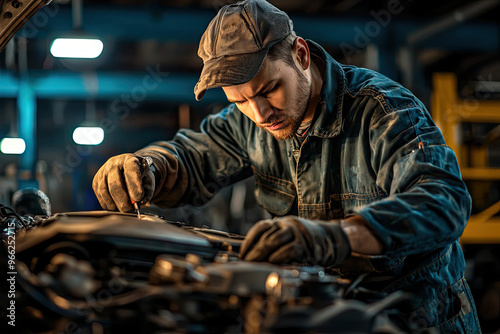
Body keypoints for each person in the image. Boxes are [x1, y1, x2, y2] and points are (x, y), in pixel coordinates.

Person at [93, 0, 481, 331]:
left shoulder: (383, 111)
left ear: (300, 55)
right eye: (240, 100)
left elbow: (443, 203)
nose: (259, 113)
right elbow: (194, 157)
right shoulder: (248, 122)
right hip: (325, 316)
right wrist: (149, 166)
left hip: (413, 319)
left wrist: (339, 237)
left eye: (267, 89)